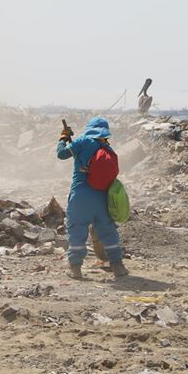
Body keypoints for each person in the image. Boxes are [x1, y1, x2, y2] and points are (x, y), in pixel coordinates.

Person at [57, 116, 128, 279]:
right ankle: (118, 266)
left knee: (77, 230)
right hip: (102, 197)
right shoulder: (107, 146)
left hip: (81, 195)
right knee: (108, 231)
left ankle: (75, 269)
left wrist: (63, 138)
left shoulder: (82, 141)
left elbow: (61, 154)